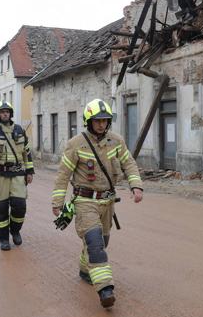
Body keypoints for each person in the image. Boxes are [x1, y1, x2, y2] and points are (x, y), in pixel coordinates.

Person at [52, 98, 143, 308]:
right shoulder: (75, 144)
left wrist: (136, 185)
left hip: (107, 203)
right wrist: (57, 201)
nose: (101, 124)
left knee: (102, 242)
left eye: (105, 120)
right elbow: (63, 175)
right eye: (97, 120)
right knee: (94, 242)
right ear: (88, 121)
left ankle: (86, 269)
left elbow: (128, 163)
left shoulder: (116, 141)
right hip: (85, 201)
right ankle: (105, 289)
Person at [0, 101, 34, 251]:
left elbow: (27, 153)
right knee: (1, 208)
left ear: (11, 113)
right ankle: (3, 238)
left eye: (7, 111)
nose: (5, 114)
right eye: (2, 112)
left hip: (17, 174)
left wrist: (29, 171)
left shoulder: (20, 131)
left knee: (20, 206)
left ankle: (15, 231)